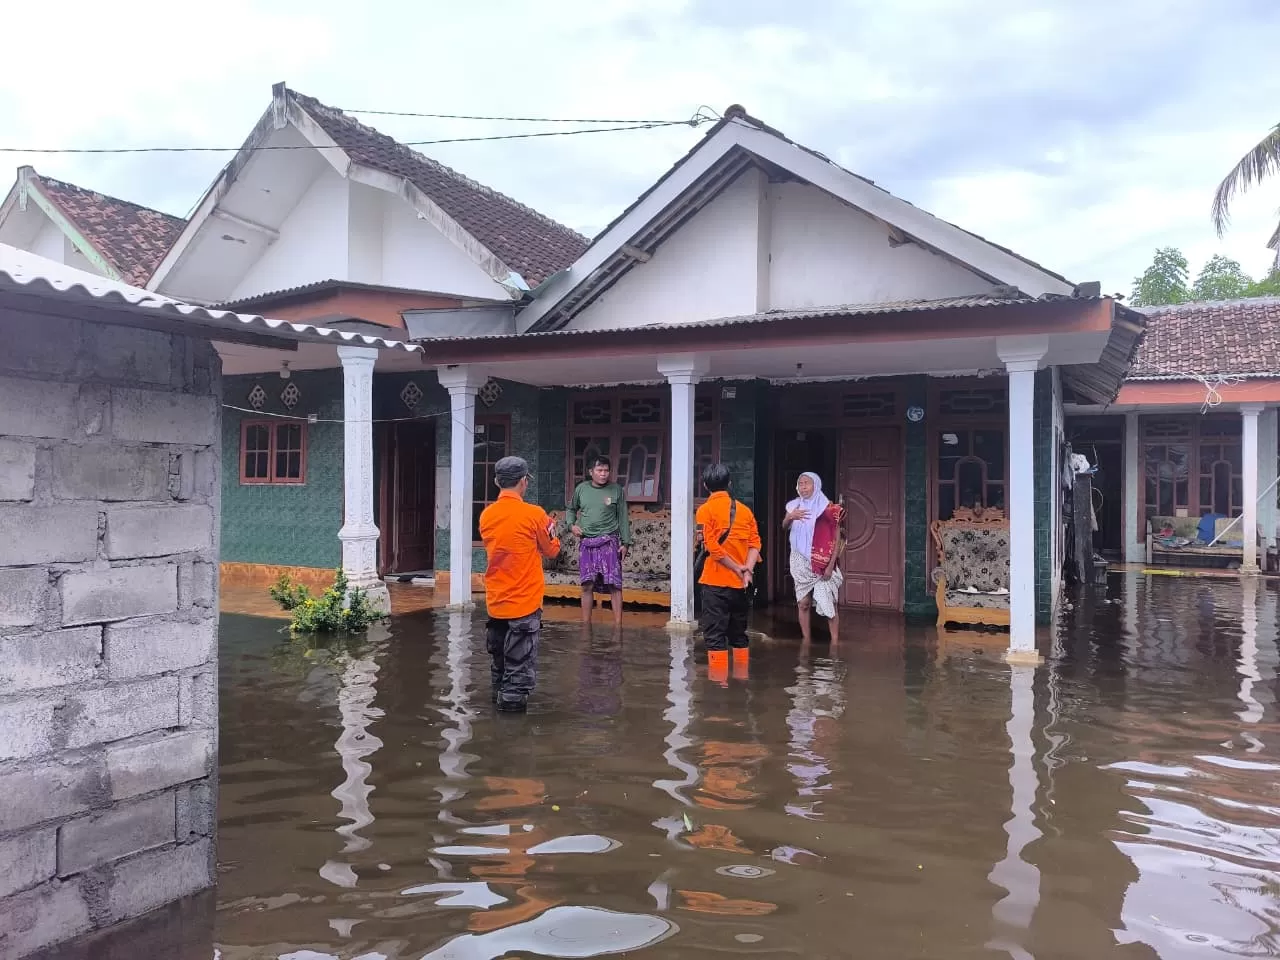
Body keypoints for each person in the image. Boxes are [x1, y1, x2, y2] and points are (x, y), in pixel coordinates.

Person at [478, 456, 560, 712]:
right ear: (524, 482)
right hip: (524, 605)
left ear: (496, 482)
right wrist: (552, 532)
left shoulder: (486, 515)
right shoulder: (535, 514)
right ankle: (512, 737)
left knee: (499, 669)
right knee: (518, 675)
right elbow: (551, 551)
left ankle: (495, 721)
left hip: (496, 603)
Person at [695, 463, 762, 682]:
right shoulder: (745, 510)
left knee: (715, 636)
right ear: (730, 484)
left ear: (705, 486)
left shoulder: (705, 510)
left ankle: (719, 689)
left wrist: (736, 567)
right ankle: (742, 679)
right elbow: (755, 543)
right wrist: (747, 571)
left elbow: (713, 549)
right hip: (741, 586)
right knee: (739, 635)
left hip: (715, 583)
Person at [566, 455, 632, 625]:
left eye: (606, 470)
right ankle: (586, 625)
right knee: (587, 585)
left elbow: (623, 517)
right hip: (587, 543)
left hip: (610, 542)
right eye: (599, 470)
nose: (603, 474)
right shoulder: (581, 489)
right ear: (591, 472)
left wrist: (625, 543)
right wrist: (571, 526)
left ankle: (618, 626)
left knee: (614, 585)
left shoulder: (616, 490)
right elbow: (571, 509)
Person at [783, 472, 844, 644]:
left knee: (828, 602)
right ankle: (806, 641)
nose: (803, 487)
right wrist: (789, 517)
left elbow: (836, 536)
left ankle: (835, 643)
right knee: (803, 602)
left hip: (822, 561)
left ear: (816, 485)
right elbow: (784, 526)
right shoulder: (794, 506)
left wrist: (831, 565)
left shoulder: (828, 508)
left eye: (807, 483)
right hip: (799, 559)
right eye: (800, 483)